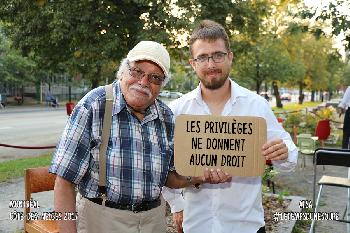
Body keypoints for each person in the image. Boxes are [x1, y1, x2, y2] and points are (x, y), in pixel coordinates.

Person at [49, 40, 231, 233]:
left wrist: (199, 176)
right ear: (123, 71)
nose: (143, 82)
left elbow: (170, 178)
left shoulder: (166, 117)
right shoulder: (94, 105)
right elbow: (64, 181)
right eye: (137, 71)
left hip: (153, 221)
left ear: (161, 85)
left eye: (155, 78)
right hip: (102, 219)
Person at [162, 20, 298, 233]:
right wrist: (177, 205)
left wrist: (283, 151)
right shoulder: (176, 111)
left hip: (246, 226)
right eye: (203, 57)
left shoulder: (256, 106)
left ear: (230, 57)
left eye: (218, 55)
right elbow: (162, 166)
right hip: (197, 226)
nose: (211, 64)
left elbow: (289, 159)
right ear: (193, 63)